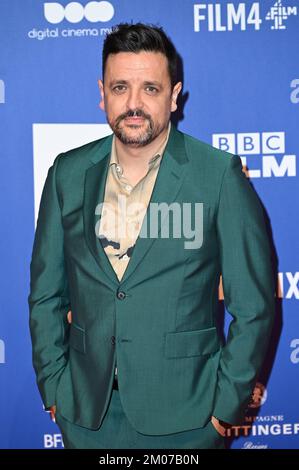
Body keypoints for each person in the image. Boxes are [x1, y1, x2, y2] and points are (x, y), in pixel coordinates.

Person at [28, 22, 275, 449]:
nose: (134, 103)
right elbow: (46, 294)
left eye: (151, 89)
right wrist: (55, 388)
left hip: (189, 419)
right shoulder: (66, 174)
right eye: (121, 88)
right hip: (87, 417)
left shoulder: (217, 175)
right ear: (102, 93)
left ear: (174, 96)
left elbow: (253, 306)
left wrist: (223, 409)